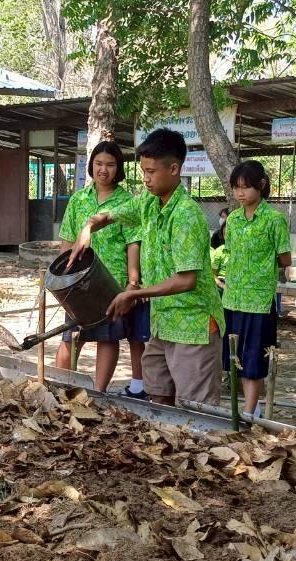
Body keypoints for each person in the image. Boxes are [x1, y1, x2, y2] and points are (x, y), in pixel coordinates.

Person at [68, 129, 223, 407]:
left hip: (193, 327)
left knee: (195, 410)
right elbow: (111, 215)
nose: (146, 179)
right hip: (161, 324)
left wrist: (133, 293)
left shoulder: (186, 215)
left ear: (174, 169)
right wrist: (89, 226)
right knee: (159, 399)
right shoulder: (148, 202)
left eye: (151, 172)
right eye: (143, 172)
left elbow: (186, 280)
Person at [54, 141, 148, 396]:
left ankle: (97, 393)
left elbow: (133, 244)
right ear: (91, 166)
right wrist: (62, 280)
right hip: (77, 283)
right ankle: (61, 388)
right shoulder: (78, 199)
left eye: (110, 165)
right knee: (70, 336)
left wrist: (132, 283)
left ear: (119, 168)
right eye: (98, 164)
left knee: (107, 337)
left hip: (110, 283)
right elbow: (68, 240)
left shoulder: (127, 202)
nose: (103, 170)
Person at [220, 161, 291, 416]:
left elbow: (285, 258)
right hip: (232, 298)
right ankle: (247, 409)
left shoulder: (274, 219)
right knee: (235, 357)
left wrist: (262, 266)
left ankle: (249, 411)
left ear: (261, 185)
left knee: (253, 358)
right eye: (236, 187)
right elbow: (231, 253)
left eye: (246, 187)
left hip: (259, 302)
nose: (240, 193)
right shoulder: (233, 219)